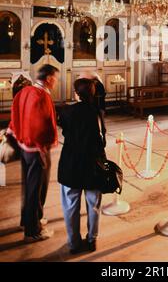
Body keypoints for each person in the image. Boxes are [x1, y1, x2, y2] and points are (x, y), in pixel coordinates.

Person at [7, 64, 59, 242]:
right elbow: (40, 125)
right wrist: (43, 148)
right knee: (35, 189)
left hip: (24, 147)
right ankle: (33, 231)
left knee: (29, 187)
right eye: (56, 78)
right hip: (37, 149)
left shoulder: (25, 92)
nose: (56, 82)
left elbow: (14, 116)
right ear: (50, 78)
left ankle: (28, 219)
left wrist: (18, 139)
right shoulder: (41, 95)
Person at [58, 78, 106, 254]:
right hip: (93, 165)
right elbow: (102, 141)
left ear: (76, 93)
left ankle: (73, 243)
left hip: (71, 164)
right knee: (94, 205)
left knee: (70, 206)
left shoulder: (66, 112)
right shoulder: (97, 113)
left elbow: (64, 128)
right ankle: (92, 240)